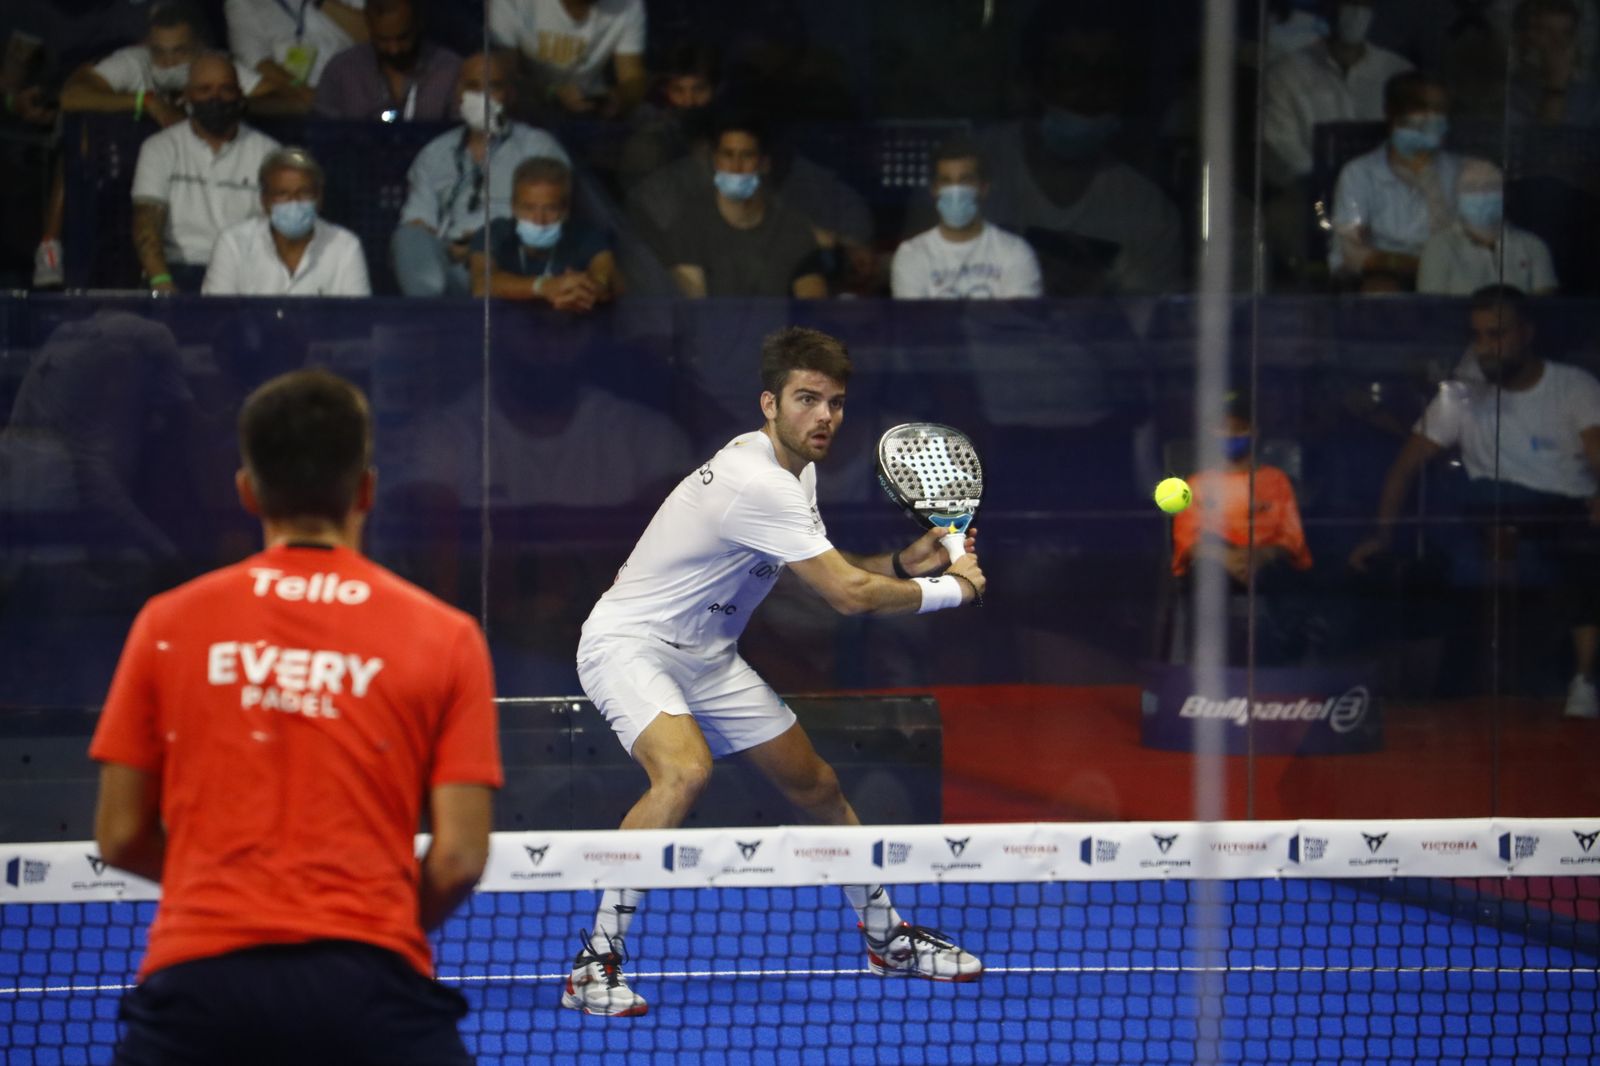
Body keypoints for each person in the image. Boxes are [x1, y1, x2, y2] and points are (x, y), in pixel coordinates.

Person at [564, 327, 987, 1017]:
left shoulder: (797, 474)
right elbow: (846, 597)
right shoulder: (754, 481)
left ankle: (887, 940)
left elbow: (815, 572)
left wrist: (905, 568)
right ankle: (594, 965)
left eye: (836, 403)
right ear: (770, 403)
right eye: (806, 399)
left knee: (816, 786)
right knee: (684, 771)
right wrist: (954, 590)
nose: (824, 417)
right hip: (630, 645)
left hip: (709, 657)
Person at [89, 368, 503, 1062]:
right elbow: (459, 857)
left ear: (248, 492)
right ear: (366, 489)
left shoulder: (165, 623)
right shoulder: (447, 635)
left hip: (197, 988)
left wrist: (230, 891)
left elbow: (120, 834)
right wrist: (370, 914)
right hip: (370, 988)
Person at [1349, 286, 1600, 719]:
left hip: (1564, 515)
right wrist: (1382, 535)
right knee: (1461, 525)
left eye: (1496, 334)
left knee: (1580, 552)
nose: (1485, 347)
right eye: (1478, 336)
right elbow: (1403, 469)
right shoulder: (1462, 394)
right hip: (1487, 515)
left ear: (1526, 333)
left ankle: (1583, 682)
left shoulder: (1573, 387)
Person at [976, 11, 1183, 296]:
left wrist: (1097, 294)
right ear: (1029, 82)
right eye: (1070, 71)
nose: (1090, 90)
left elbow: (1149, 334)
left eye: (1106, 73)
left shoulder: (1148, 212)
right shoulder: (965, 172)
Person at [391, 49, 570, 297]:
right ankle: (430, 314)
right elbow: (418, 223)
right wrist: (449, 246)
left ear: (510, 94)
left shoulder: (538, 147)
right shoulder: (434, 154)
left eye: (493, 87)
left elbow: (550, 216)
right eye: (473, 86)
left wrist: (482, 243)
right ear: (458, 93)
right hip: (451, 263)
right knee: (407, 236)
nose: (482, 97)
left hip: (512, 261)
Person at [1169, 396, 1315, 664]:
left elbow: (1292, 538)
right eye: (1224, 429)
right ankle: (1204, 671)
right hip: (1217, 562)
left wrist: (1261, 556)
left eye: (1239, 429)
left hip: (1266, 562)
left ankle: (1291, 669)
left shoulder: (1276, 481)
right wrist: (1225, 558)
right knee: (1205, 581)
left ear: (1254, 431)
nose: (1232, 435)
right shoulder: (1197, 483)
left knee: (1288, 585)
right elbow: (1187, 538)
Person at [130, 52, 281, 293]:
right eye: (205, 89)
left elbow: (278, 231)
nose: (216, 98)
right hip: (178, 268)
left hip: (245, 275)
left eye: (225, 89)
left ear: (240, 95)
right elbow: (146, 227)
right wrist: (162, 283)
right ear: (187, 96)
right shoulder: (159, 147)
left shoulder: (270, 153)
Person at [665, 114, 827, 299]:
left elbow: (812, 305)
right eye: (728, 154)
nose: (736, 166)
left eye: (747, 155)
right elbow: (694, 311)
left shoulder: (792, 227)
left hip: (780, 328)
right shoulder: (688, 224)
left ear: (764, 163)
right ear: (715, 161)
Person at [1328, 71, 1464, 290]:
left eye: (1439, 111)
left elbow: (1472, 246)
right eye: (1421, 109)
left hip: (1452, 281)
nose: (1431, 118)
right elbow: (1349, 253)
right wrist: (1412, 265)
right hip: (1386, 279)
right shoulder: (1359, 173)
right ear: (1392, 114)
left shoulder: (1462, 173)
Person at [1261, 0, 1413, 187]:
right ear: (1328, 6)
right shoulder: (1286, 74)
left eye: (1364, 5)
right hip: (1311, 198)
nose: (1355, 12)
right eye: (1345, 3)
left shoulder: (1399, 72)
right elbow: (1280, 146)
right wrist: (1328, 183)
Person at [203, 146, 372, 296]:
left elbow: (357, 322)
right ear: (265, 200)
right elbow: (217, 319)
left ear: (319, 197)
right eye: (282, 194)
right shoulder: (233, 245)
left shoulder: (345, 247)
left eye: (304, 193)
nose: (294, 202)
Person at [890, 138, 1042, 300]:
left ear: (984, 188)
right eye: (946, 181)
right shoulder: (912, 255)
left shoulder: (1015, 252)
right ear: (934, 190)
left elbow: (1020, 322)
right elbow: (915, 322)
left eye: (965, 180)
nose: (955, 190)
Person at [467, 156, 614, 308]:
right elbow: (481, 284)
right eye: (529, 208)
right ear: (514, 207)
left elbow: (606, 279)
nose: (539, 219)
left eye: (550, 208)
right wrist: (543, 286)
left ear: (565, 211)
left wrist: (586, 292)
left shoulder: (587, 236)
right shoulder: (494, 233)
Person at [1417, 158, 1558, 295]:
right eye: (1470, 187)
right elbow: (1432, 311)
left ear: (1506, 193)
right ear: (1457, 195)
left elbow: (1544, 311)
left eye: (1491, 186)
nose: (1481, 194)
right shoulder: (1438, 247)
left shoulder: (1533, 246)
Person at [487, 0, 646, 119]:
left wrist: (618, 98)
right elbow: (503, 78)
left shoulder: (628, 4)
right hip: (527, 107)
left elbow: (632, 77)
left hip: (592, 113)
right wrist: (552, 92)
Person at [313, 0, 461, 121]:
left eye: (402, 38)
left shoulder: (450, 71)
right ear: (368, 26)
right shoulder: (341, 70)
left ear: (418, 24)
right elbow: (322, 137)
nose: (394, 49)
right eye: (383, 40)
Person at [225, 0, 369, 102]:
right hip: (306, 95)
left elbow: (371, 34)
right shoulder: (243, 4)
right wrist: (304, 92)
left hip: (362, 83)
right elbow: (259, 63)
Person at [1508, 0, 1600, 126]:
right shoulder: (1507, 94)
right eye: (1546, 32)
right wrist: (1555, 88)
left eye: (1567, 33)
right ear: (1522, 38)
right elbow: (1540, 143)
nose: (1558, 43)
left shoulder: (1591, 96)